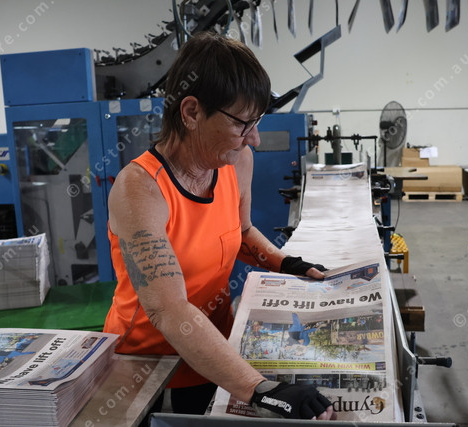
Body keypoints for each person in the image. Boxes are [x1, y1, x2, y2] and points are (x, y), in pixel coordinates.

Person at [103, 32, 335, 421]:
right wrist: (262, 389)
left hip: (214, 349)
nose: (254, 139)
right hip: (149, 364)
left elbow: (241, 231)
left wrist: (285, 262)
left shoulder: (235, 160)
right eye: (243, 124)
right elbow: (168, 309)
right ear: (192, 112)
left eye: (257, 122)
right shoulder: (140, 189)